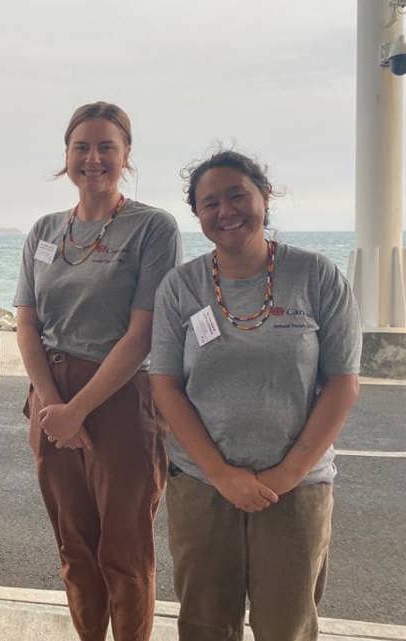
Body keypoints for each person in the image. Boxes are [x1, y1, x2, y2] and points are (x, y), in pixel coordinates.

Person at [149, 150, 361, 641]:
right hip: (203, 484)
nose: (226, 211)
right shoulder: (181, 287)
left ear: (265, 197)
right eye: (209, 203)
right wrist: (222, 474)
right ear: (197, 214)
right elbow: (165, 385)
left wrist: (287, 474)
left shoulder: (317, 276)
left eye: (237, 195)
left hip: (295, 488)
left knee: (285, 626)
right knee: (204, 625)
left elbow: (342, 382)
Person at [14, 101, 181, 641]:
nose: (93, 158)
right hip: (51, 396)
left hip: (121, 399)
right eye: (81, 146)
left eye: (106, 146)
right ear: (66, 156)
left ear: (126, 155)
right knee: (74, 546)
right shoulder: (43, 230)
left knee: (124, 551)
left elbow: (144, 332)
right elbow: (27, 323)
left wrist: (78, 410)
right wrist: (51, 406)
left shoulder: (152, 227)